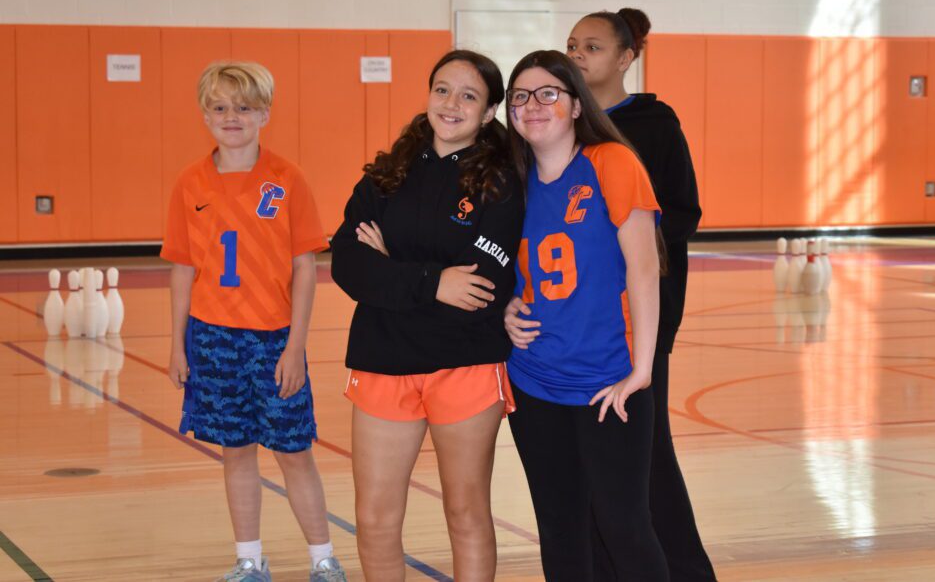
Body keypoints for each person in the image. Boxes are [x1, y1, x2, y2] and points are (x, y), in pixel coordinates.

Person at [330, 50, 523, 582]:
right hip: (382, 359)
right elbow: (348, 262)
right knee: (373, 519)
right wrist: (432, 281)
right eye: (442, 89)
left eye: (469, 95)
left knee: (464, 512)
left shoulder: (501, 182)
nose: (451, 104)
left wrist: (391, 264)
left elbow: (482, 285)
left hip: (464, 361)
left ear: (488, 113)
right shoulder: (388, 173)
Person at [163, 61, 347, 581]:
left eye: (243, 107)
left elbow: (305, 268)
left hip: (273, 339)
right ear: (204, 114)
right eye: (220, 107)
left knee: (294, 451)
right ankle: (248, 559)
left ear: (264, 113)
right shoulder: (189, 182)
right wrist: (178, 345)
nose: (231, 117)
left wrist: (295, 346)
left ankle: (323, 559)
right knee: (236, 450)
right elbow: (181, 270)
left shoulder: (287, 180)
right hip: (211, 336)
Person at [502, 50, 668, 581]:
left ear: (576, 105)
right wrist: (507, 307)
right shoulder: (512, 180)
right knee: (559, 526)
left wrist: (641, 371)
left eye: (548, 93)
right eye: (520, 97)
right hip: (533, 381)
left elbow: (644, 269)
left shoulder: (611, 163)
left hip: (608, 382)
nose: (533, 106)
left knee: (624, 525)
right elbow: (505, 266)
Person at [568, 8, 715, 580]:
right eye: (572, 45)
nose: (579, 55)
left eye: (594, 47)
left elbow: (683, 213)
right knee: (586, 459)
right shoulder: (562, 121)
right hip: (570, 321)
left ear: (627, 58)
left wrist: (617, 252)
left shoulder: (654, 124)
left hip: (636, 319)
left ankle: (685, 571)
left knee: (646, 457)